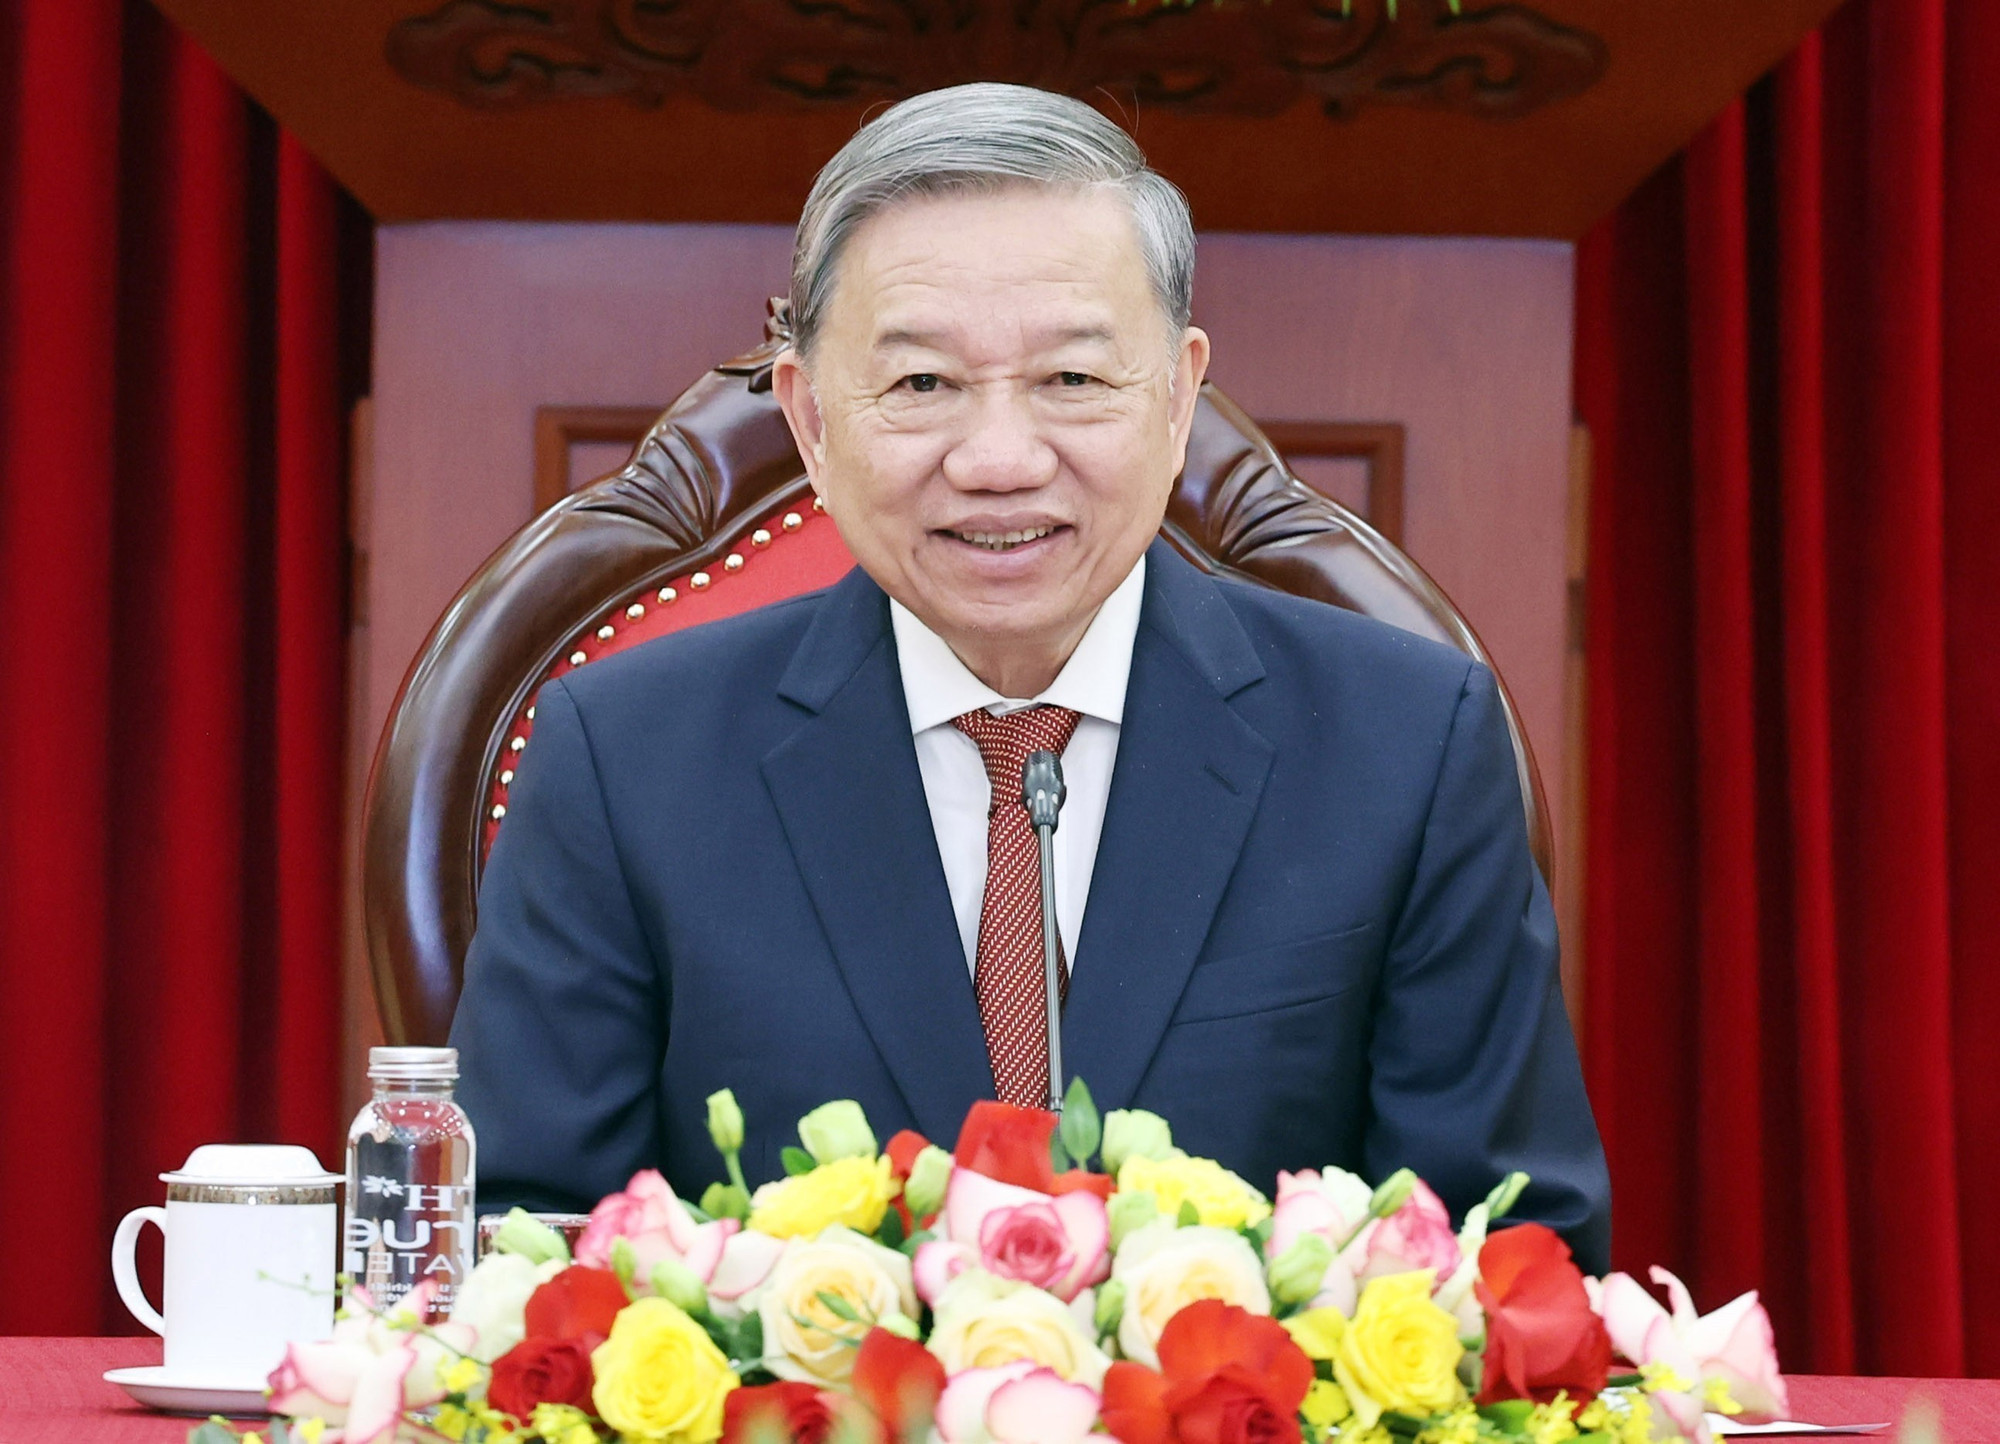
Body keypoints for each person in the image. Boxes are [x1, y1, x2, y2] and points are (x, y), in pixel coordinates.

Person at [451, 82, 1610, 1269]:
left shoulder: (1407, 747)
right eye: (921, 385)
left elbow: (1513, 1251)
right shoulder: (621, 760)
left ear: (1175, 397)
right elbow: (518, 1247)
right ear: (810, 420)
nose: (999, 459)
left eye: (1070, 380)